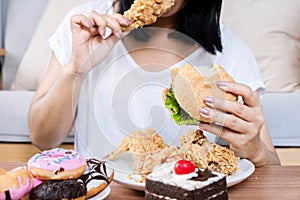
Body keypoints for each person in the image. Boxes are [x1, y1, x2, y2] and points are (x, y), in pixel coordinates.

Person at [28, 0, 280, 167]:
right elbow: (42, 138)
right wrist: (75, 70)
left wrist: (255, 150)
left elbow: (271, 164)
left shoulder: (230, 51)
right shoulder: (85, 24)